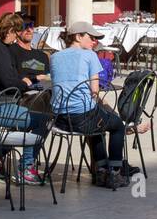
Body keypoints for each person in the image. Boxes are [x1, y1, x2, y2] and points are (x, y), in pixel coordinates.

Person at [50, 21, 145, 187]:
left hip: (58, 118)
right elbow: (95, 91)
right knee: (116, 125)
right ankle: (114, 171)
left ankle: (101, 171)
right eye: (91, 37)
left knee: (98, 123)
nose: (94, 42)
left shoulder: (54, 57)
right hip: (81, 117)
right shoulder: (90, 56)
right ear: (78, 37)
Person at [0, 12, 50, 183]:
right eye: (15, 33)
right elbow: (8, 81)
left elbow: (9, 78)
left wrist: (27, 81)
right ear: (8, 29)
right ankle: (25, 168)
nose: (15, 39)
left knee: (26, 120)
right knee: (41, 121)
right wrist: (27, 83)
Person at [13, 21, 51, 87]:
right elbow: (10, 75)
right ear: (17, 31)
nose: (28, 30)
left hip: (43, 92)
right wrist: (36, 77)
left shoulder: (43, 56)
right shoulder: (10, 50)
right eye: (24, 26)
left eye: (31, 26)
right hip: (22, 91)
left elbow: (48, 77)